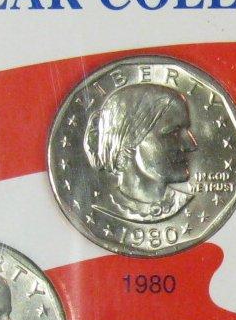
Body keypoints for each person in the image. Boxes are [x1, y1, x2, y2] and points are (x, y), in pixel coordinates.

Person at [84, 83, 197, 221]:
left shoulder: (190, 206)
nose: (191, 145)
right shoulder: (100, 210)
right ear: (128, 143)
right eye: (173, 133)